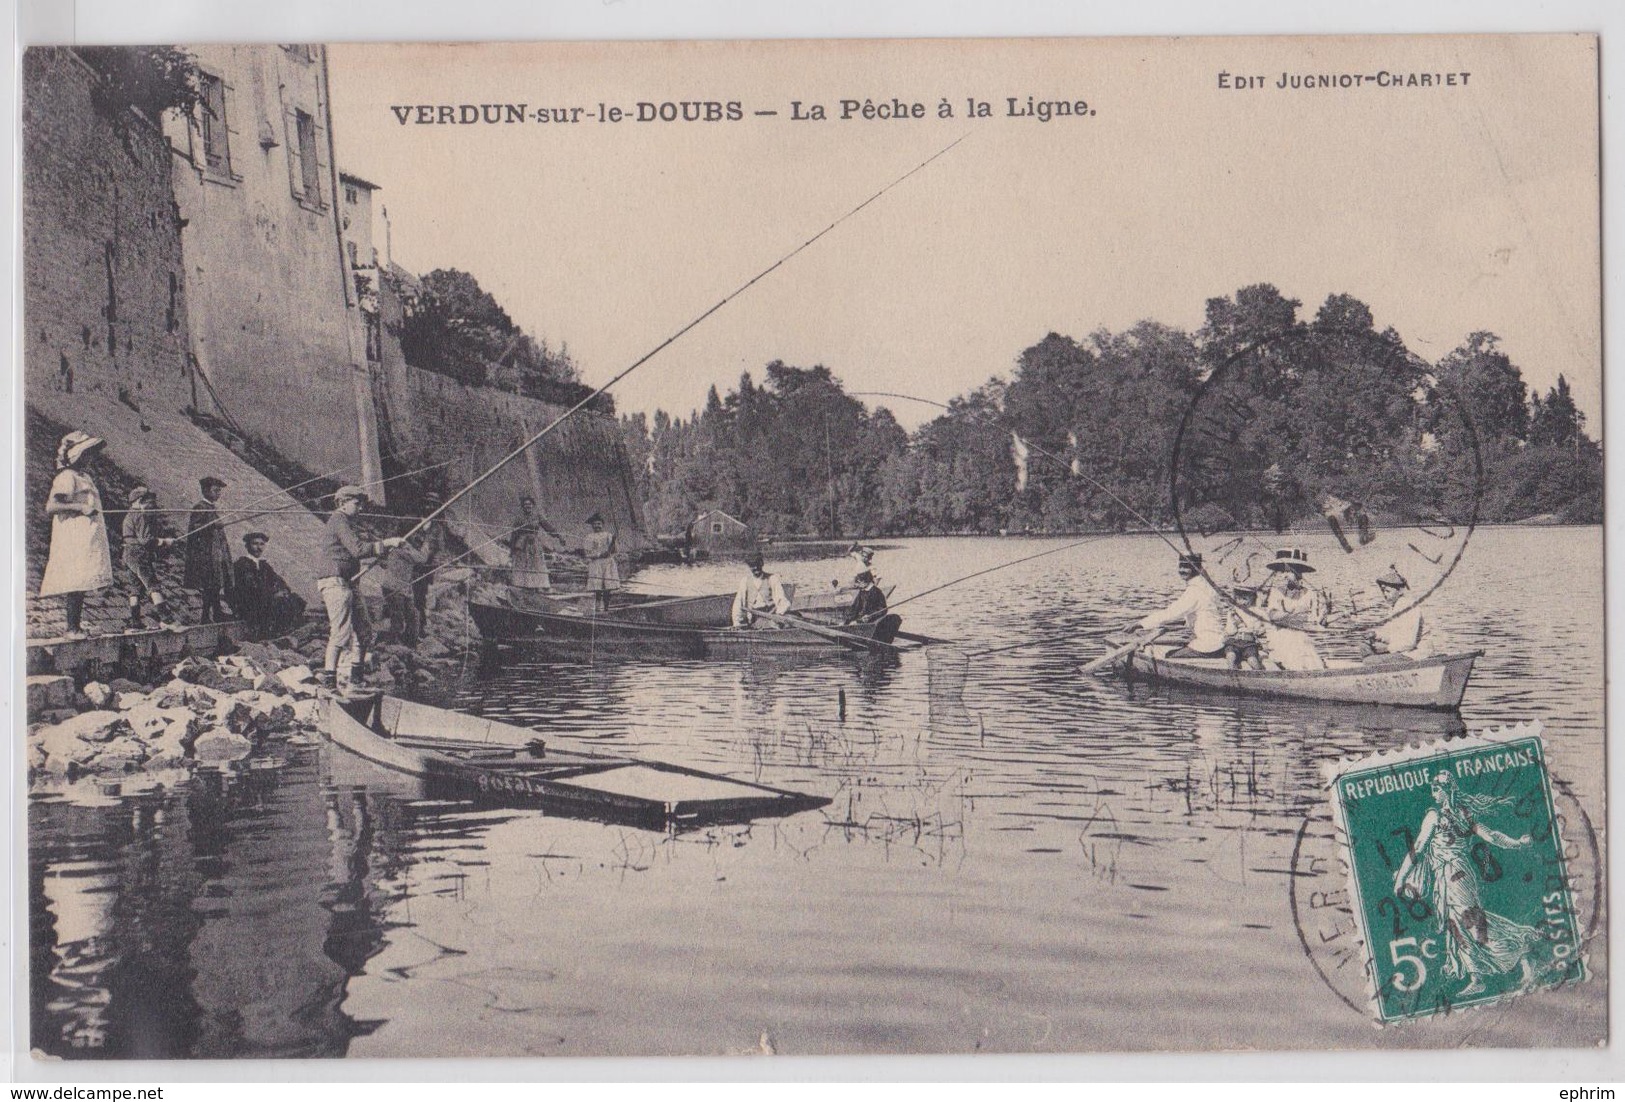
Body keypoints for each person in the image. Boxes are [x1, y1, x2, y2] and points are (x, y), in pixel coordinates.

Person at [1393, 771, 1543, 997]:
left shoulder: (1435, 816)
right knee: (1457, 926)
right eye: (1433, 788)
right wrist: (1517, 844)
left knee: (1473, 925)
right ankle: (1477, 978)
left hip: (1454, 877)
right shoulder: (1464, 814)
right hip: (1452, 877)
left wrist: (1400, 879)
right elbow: (1492, 836)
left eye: (1436, 788)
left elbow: (1418, 847)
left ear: (1447, 791)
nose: (1433, 793)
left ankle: (1522, 955)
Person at [317, 486, 404, 690]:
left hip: (349, 583)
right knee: (340, 633)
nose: (361, 508)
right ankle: (329, 680)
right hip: (335, 582)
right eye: (357, 503)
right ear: (342, 503)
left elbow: (360, 548)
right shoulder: (338, 520)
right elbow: (357, 550)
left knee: (364, 631)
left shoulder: (347, 522)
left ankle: (356, 678)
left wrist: (380, 549)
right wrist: (387, 543)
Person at [39, 431, 114, 639]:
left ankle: (76, 626)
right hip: (72, 535)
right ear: (78, 455)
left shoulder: (85, 477)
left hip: (85, 534)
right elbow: (52, 506)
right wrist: (80, 507)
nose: (91, 459)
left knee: (82, 579)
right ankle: (72, 627)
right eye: (87, 454)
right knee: (75, 579)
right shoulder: (66, 477)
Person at [1136, 553, 1226, 658]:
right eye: (1181, 566)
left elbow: (1170, 613)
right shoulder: (1207, 586)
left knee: (1168, 655)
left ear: (1196, 568)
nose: (1182, 570)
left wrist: (1141, 624)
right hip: (1220, 642)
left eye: (1187, 567)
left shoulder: (1195, 590)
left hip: (1207, 646)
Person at [119, 485, 181, 630]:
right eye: (150, 502)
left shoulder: (129, 515)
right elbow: (146, 540)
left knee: (135, 589)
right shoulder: (140, 515)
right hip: (138, 554)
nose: (153, 506)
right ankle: (167, 620)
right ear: (140, 501)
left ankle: (135, 623)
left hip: (127, 553)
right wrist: (164, 541)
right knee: (153, 585)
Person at [1260, 547, 1328, 670]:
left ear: (1298, 572)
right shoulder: (1276, 592)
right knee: (1296, 646)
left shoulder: (1310, 594)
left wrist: (1323, 617)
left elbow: (1314, 621)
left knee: (1306, 648)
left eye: (1287, 571)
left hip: (1302, 636)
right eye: (1282, 572)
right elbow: (1273, 617)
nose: (1284, 575)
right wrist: (1296, 613)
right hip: (1280, 636)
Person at [232, 531, 306, 641]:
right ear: (247, 546)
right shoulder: (242, 565)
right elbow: (251, 588)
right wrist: (274, 594)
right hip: (250, 602)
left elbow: (278, 581)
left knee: (295, 599)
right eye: (255, 544)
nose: (259, 548)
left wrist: (283, 590)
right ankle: (271, 635)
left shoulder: (264, 565)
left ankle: (285, 632)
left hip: (265, 598)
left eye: (262, 544)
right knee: (279, 603)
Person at [184, 476, 234, 623]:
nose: (218, 494)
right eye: (215, 490)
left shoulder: (211, 508)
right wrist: (212, 525)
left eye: (219, 491)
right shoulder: (200, 507)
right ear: (206, 490)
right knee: (210, 585)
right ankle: (208, 616)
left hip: (216, 553)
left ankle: (215, 613)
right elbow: (195, 529)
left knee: (215, 585)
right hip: (207, 554)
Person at [1362, 565, 1434, 665]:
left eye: (1388, 591)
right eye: (1383, 591)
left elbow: (1409, 642)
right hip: (1402, 651)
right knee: (1364, 647)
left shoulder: (1409, 607)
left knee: (1369, 661)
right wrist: (1376, 635)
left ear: (1399, 591)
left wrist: (1386, 648)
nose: (1385, 595)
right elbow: (1393, 635)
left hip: (1415, 654)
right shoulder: (1395, 607)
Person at [379, 522, 428, 646]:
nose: (418, 536)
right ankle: (393, 645)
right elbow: (421, 559)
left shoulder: (402, 545)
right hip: (394, 588)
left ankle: (408, 644)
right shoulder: (401, 546)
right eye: (416, 532)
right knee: (398, 618)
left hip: (403, 588)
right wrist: (427, 541)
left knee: (413, 616)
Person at [505, 496, 560, 591]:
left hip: (534, 543)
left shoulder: (537, 516)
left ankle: (537, 585)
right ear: (523, 506)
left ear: (532, 505)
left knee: (536, 563)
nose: (528, 506)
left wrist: (558, 536)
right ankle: (522, 584)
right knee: (522, 563)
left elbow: (547, 527)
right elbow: (514, 533)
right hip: (522, 543)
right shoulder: (519, 518)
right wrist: (512, 548)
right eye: (525, 504)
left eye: (529, 504)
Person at [412, 492, 452, 621]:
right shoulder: (411, 522)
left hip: (424, 569)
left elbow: (440, 550)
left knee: (420, 597)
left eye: (433, 506)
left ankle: (420, 627)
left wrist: (433, 565)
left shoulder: (437, 529)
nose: (429, 508)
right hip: (408, 566)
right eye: (427, 504)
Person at [732, 552, 791, 627]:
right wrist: (737, 623)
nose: (756, 568)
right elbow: (738, 604)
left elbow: (782, 600)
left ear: (762, 563)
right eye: (752, 566)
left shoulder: (772, 579)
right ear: (749, 566)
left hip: (771, 618)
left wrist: (777, 616)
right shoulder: (745, 581)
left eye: (757, 564)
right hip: (753, 620)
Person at [582, 512, 621, 611]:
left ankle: (606, 608)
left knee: (607, 587)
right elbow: (587, 553)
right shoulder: (589, 537)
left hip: (608, 563)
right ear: (592, 526)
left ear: (602, 524)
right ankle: (597, 608)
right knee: (597, 587)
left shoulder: (608, 535)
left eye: (599, 524)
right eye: (595, 524)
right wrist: (599, 555)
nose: (597, 526)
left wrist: (613, 541)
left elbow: (614, 550)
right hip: (596, 564)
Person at [1221, 585, 1265, 670]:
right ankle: (1232, 673)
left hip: (1249, 643)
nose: (1242, 602)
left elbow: (1258, 630)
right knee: (1230, 656)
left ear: (1252, 598)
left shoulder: (1256, 612)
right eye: (1238, 599)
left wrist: (1252, 625)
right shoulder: (1233, 612)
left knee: (1252, 660)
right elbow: (1230, 631)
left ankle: (1260, 674)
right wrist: (1232, 620)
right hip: (1234, 641)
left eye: (1245, 599)